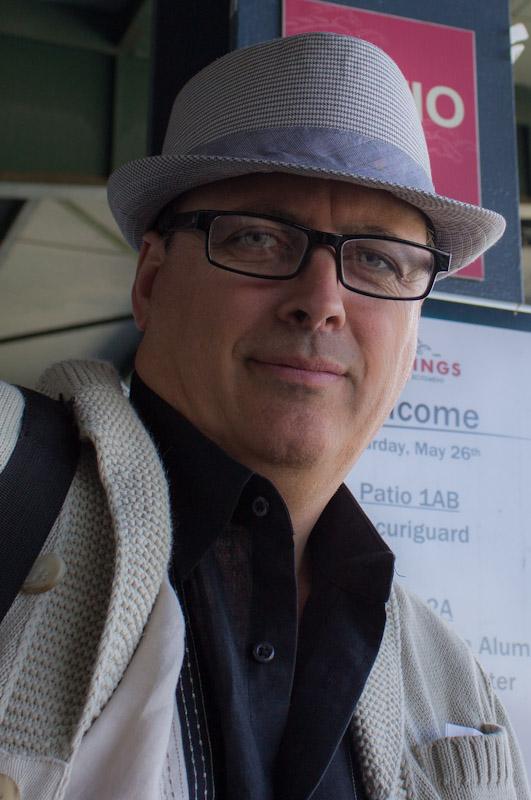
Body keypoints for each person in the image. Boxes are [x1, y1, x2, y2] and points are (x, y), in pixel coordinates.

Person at [0, 31, 528, 800]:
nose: (320, 301)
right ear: (150, 281)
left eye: (377, 259)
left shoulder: (454, 686)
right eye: (257, 238)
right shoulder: (11, 483)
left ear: (413, 331)